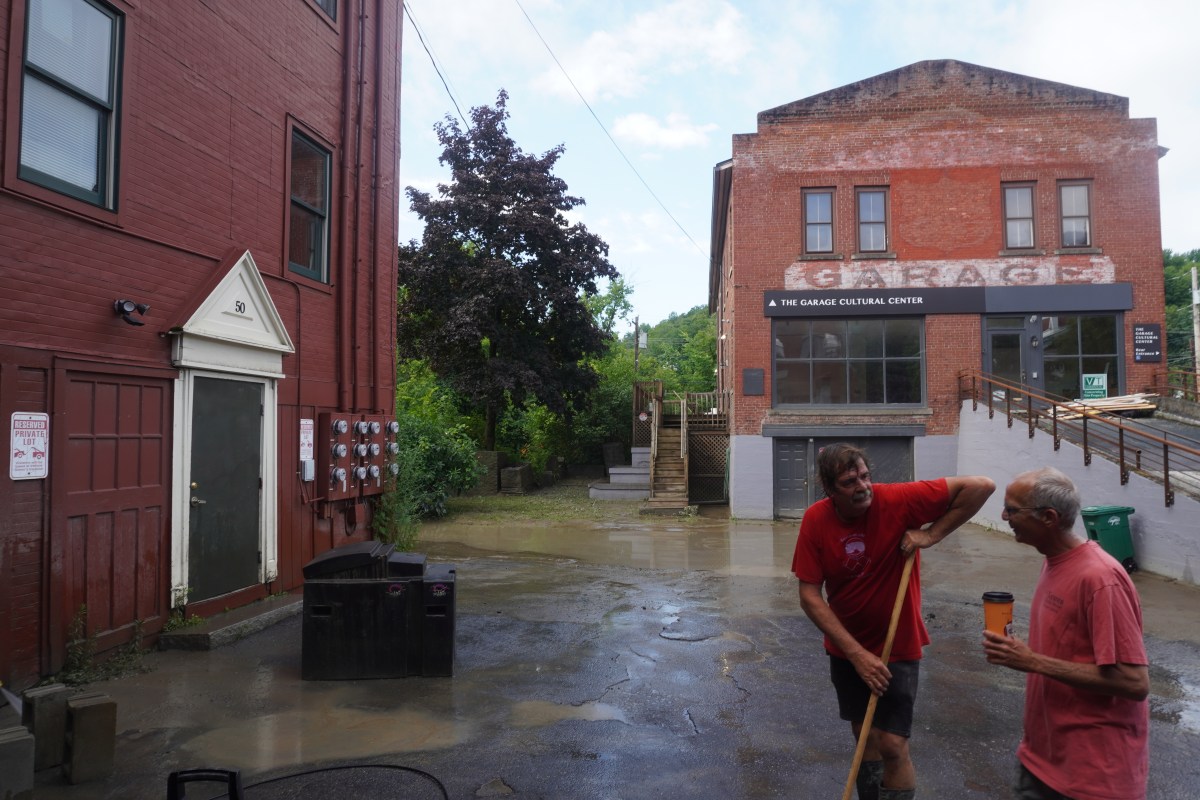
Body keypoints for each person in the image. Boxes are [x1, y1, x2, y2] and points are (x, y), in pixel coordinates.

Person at [793, 443, 995, 800]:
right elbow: (810, 594)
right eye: (849, 482)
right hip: (846, 649)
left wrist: (931, 534)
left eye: (865, 476)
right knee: (864, 735)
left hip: (896, 647)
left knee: (892, 744)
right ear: (829, 489)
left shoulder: (899, 500)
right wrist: (856, 654)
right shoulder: (816, 519)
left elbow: (981, 486)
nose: (862, 487)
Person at [982, 467, 1149, 800]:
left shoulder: (1101, 579)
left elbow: (1134, 683)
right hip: (1040, 760)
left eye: (1012, 510)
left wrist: (1032, 661)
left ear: (1049, 517)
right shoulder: (1053, 561)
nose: (1004, 516)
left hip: (1092, 779)